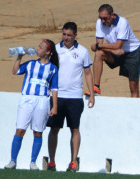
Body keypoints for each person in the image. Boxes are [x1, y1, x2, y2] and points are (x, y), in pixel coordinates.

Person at [46, 22, 95, 172]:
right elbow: (47, 69)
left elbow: (87, 73)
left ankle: (73, 162)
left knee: (74, 129)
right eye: (64, 34)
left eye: (69, 35)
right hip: (57, 96)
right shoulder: (55, 50)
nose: (66, 38)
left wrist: (92, 94)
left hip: (75, 97)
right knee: (54, 128)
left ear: (75, 35)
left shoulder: (82, 51)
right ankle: (52, 162)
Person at [4, 39, 59, 170]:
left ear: (47, 52)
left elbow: (55, 88)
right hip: (27, 99)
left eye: (40, 47)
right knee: (20, 129)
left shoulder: (53, 68)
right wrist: (19, 57)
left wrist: (54, 106)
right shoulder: (30, 64)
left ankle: (33, 162)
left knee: (38, 132)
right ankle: (12, 161)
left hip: (42, 100)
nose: (37, 49)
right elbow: (15, 71)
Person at [85, 4, 140, 97]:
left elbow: (117, 45)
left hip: (132, 52)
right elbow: (99, 47)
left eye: (105, 18)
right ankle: (96, 88)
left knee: (133, 86)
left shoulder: (122, 22)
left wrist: (99, 46)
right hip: (115, 52)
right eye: (100, 18)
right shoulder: (99, 22)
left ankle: (135, 108)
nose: (103, 21)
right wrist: (111, 50)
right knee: (99, 54)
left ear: (112, 15)